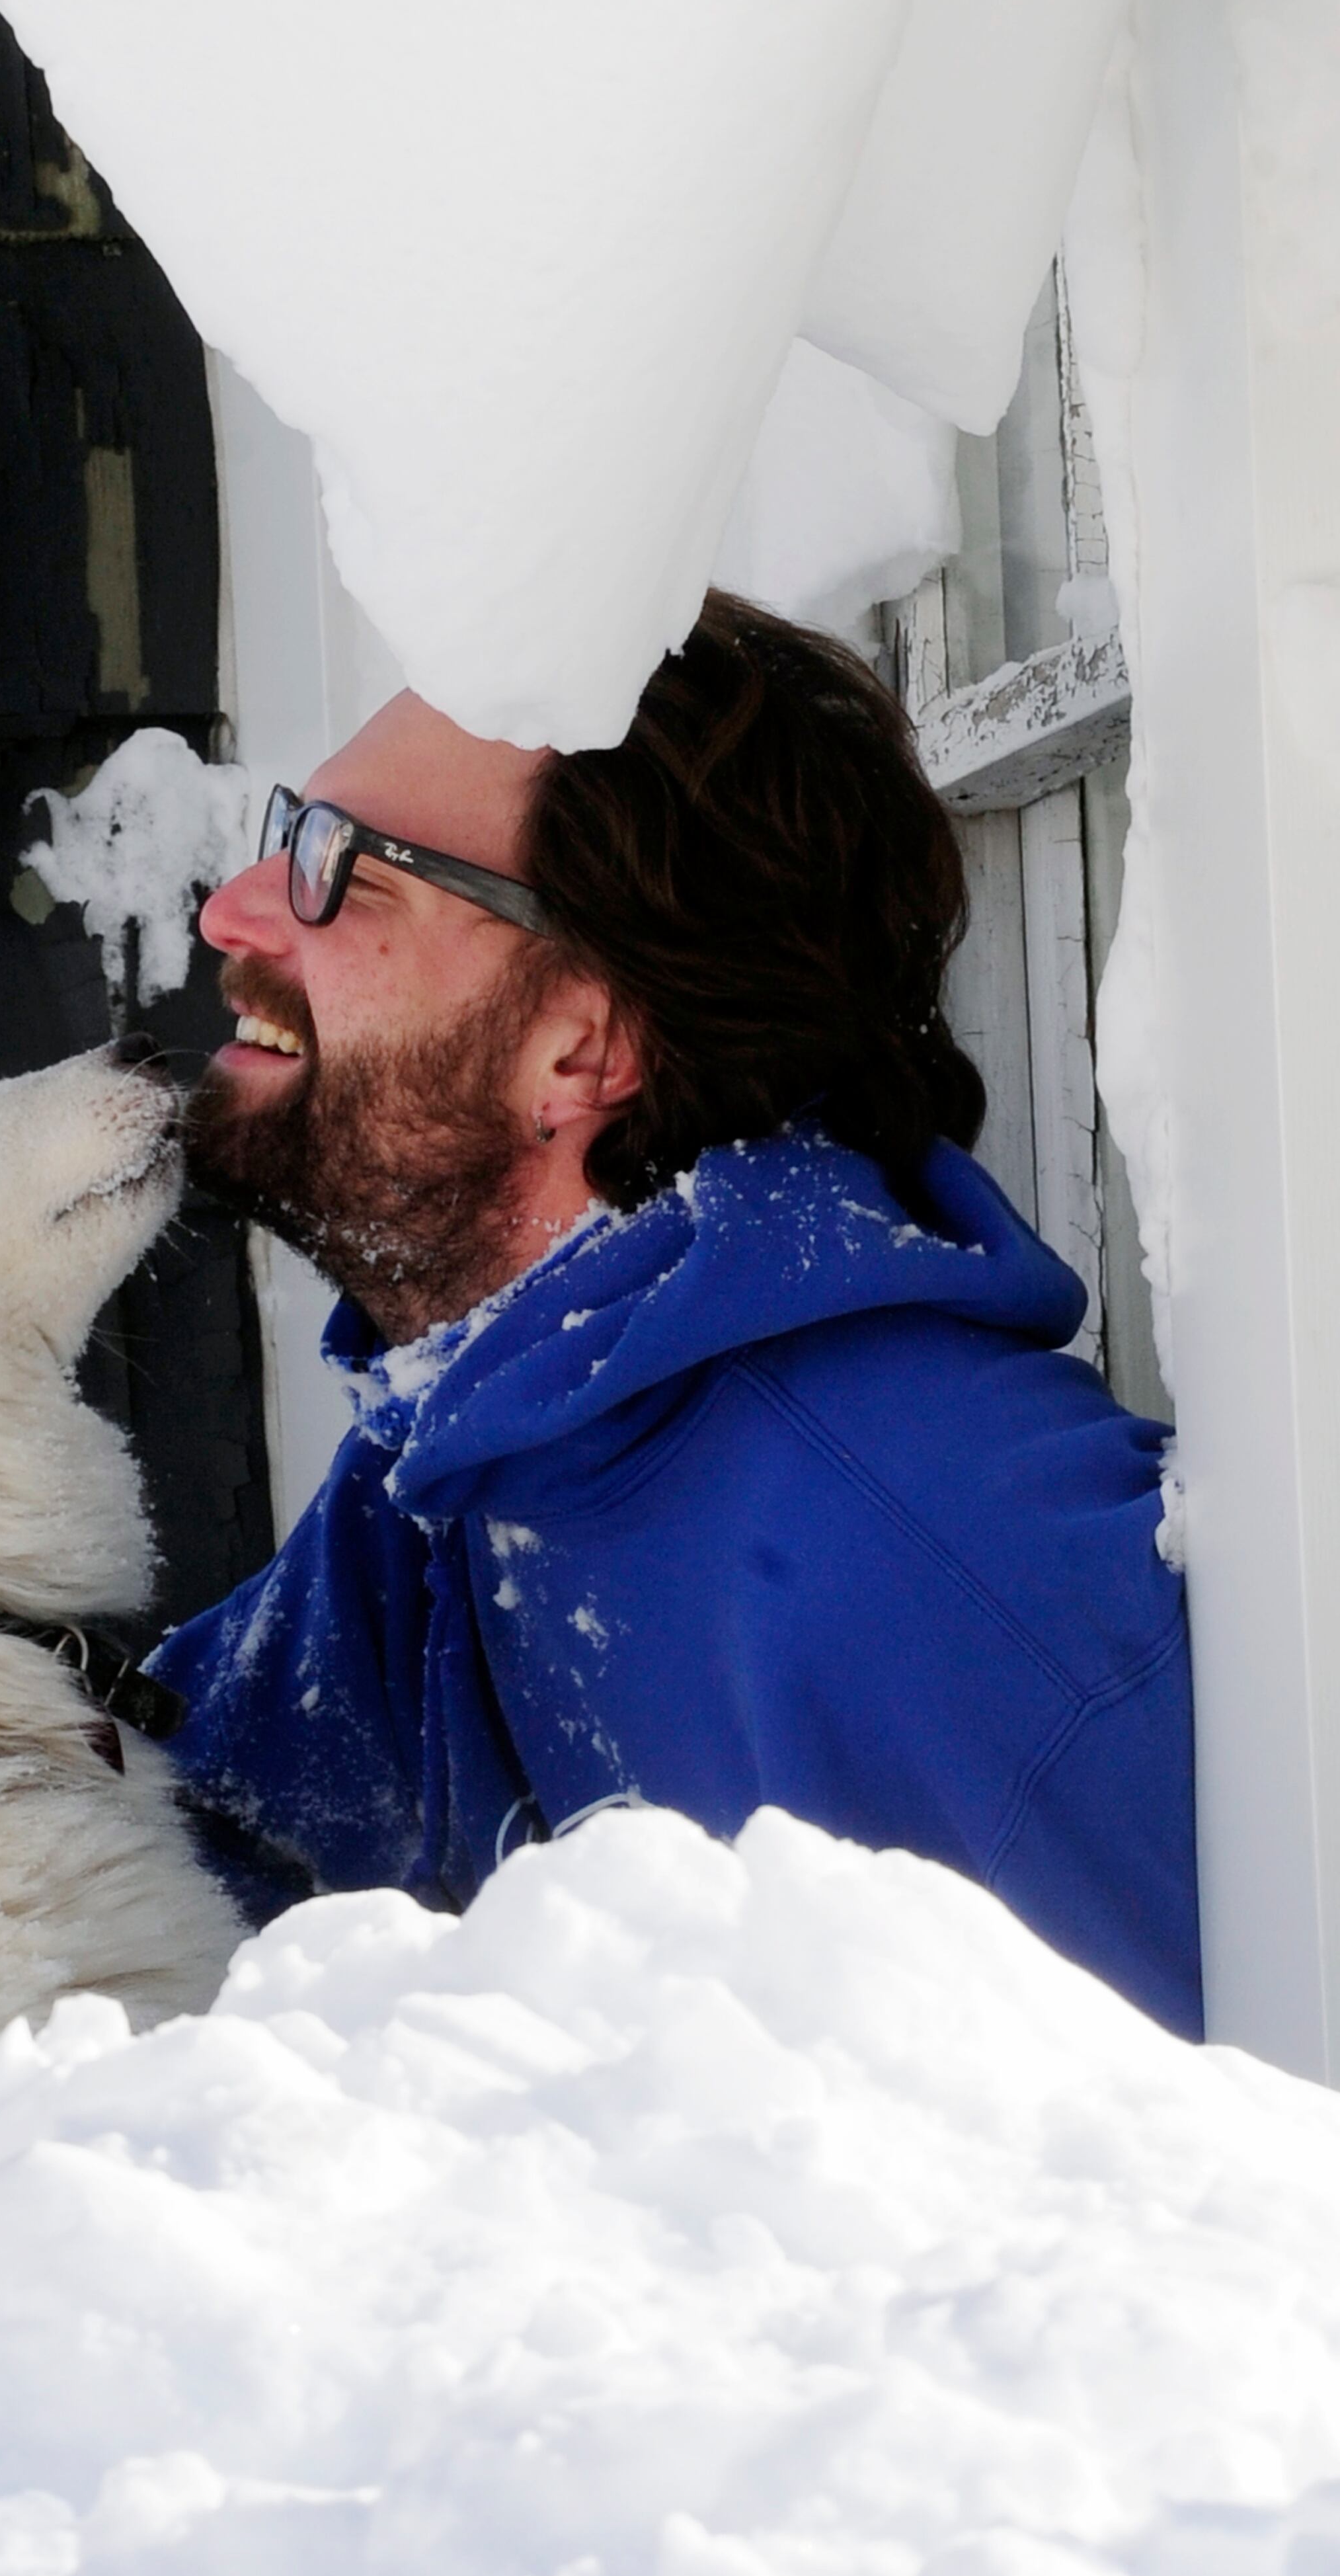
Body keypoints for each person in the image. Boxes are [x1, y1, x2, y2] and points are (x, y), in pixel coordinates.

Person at [161, 591, 1200, 2035]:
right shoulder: (495, 1453)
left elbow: (1247, 2198)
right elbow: (124, 1818)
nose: (232, 907)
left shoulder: (948, 1584)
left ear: (579, 1045)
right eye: (288, 831)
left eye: (343, 868)